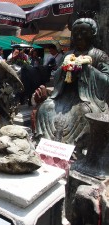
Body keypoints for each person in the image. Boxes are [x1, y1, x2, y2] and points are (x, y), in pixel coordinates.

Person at [34, 17, 109, 155]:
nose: (79, 36)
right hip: (65, 94)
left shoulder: (99, 56)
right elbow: (56, 76)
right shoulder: (68, 54)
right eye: (76, 32)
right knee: (46, 107)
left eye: (84, 32)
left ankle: (75, 148)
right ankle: (45, 143)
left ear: (92, 34)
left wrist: (88, 70)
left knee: (85, 112)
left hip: (87, 98)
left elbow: (106, 80)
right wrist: (64, 70)